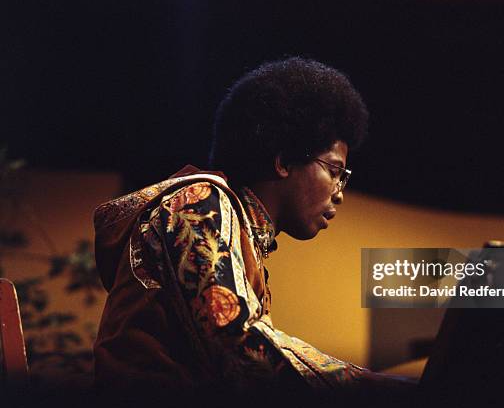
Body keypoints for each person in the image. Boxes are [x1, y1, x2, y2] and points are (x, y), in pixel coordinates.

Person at [93, 57, 409, 390]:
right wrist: (376, 385)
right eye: (333, 171)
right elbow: (240, 345)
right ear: (284, 161)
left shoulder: (241, 230)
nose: (339, 194)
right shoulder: (199, 203)